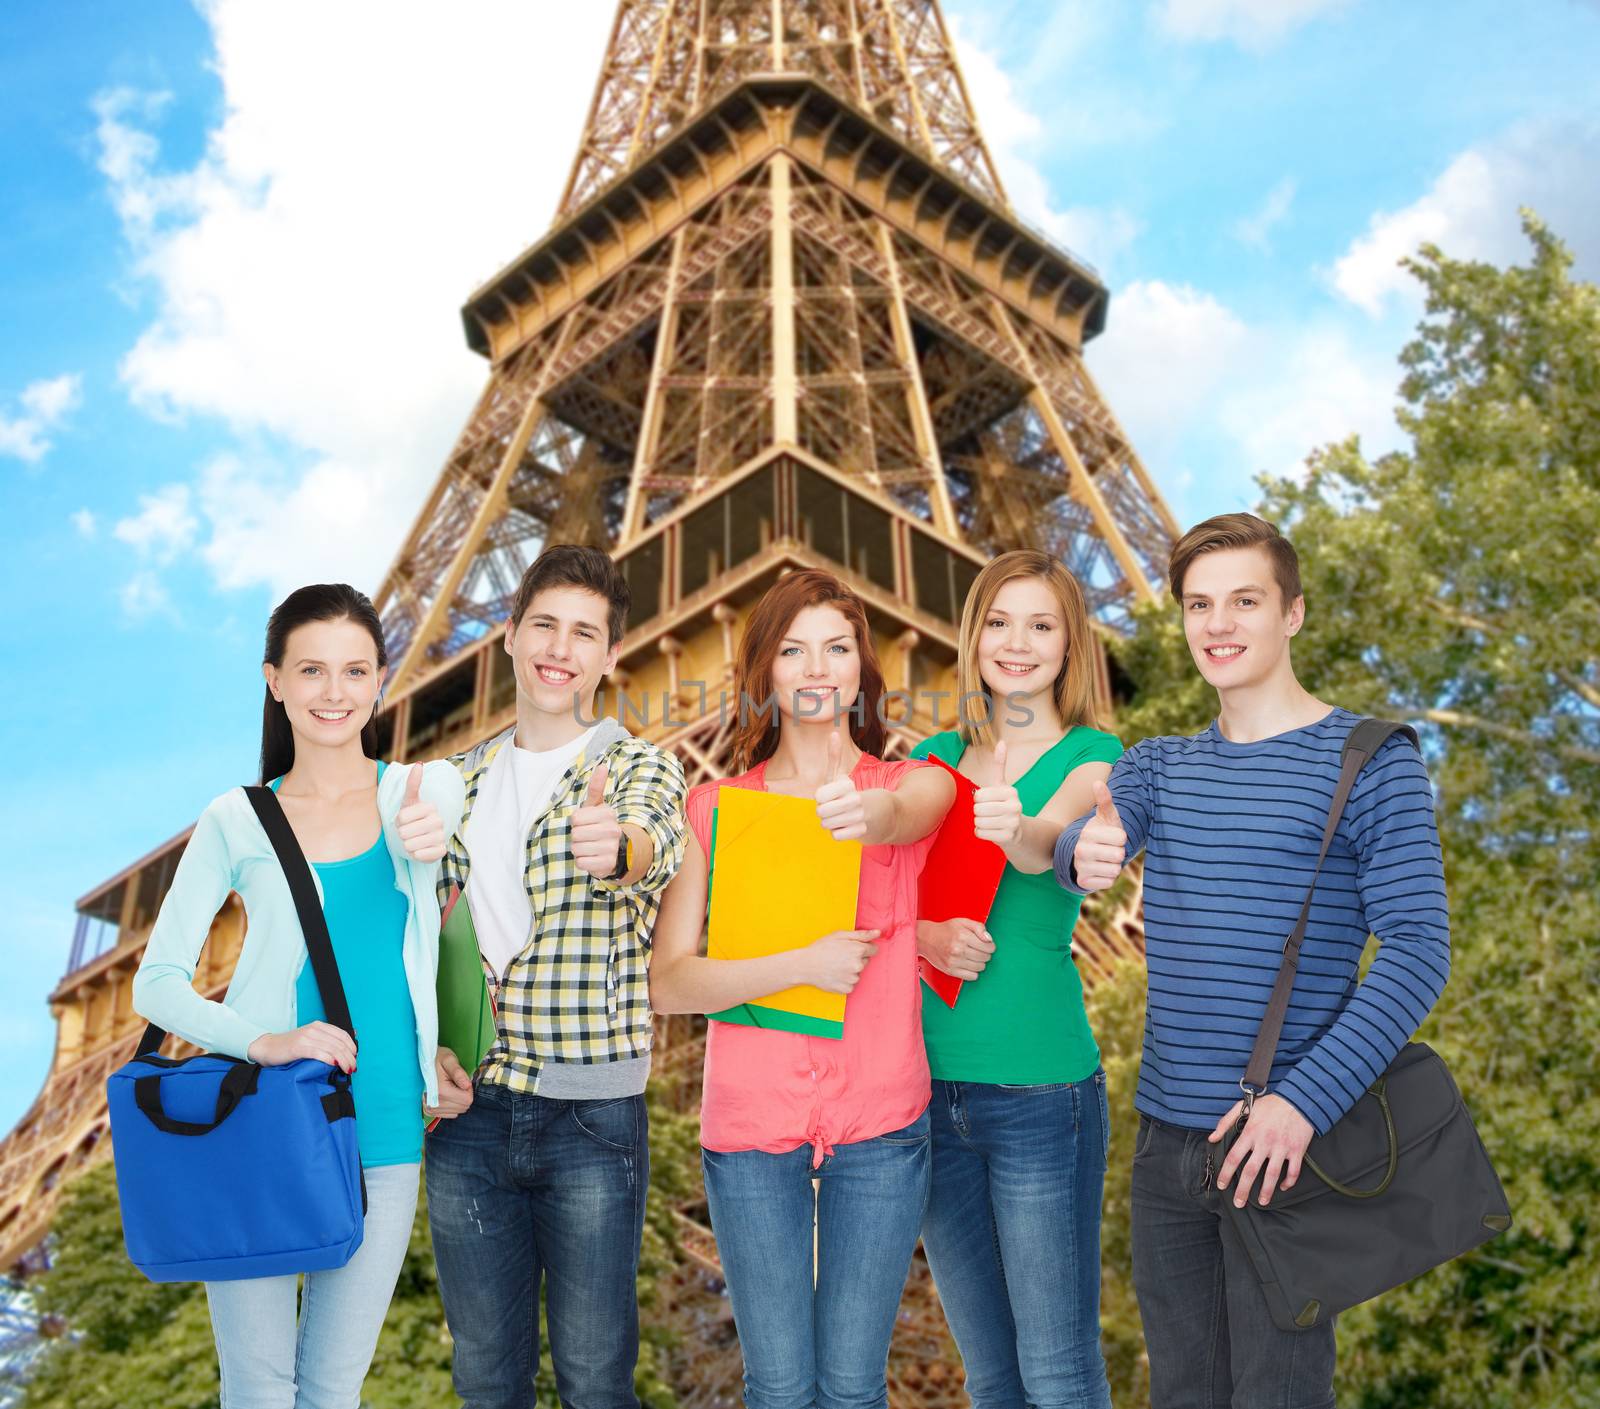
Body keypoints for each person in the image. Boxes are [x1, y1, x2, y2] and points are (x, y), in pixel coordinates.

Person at [1055, 513, 1451, 1409]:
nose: (1218, 624)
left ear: (1294, 613)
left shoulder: (1371, 760)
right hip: (1165, 1149)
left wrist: (1301, 1105)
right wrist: (1085, 849)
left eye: (1244, 600)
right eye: (1199, 604)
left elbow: (1420, 950)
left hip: (1287, 1149)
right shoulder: (1160, 767)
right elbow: (1092, 836)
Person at [132, 582, 469, 1409]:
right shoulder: (236, 818)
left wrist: (441, 1055)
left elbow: (448, 804)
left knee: (332, 1390)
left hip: (388, 1124)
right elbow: (156, 980)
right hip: (266, 1119)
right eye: (311, 669)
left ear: (381, 680)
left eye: (355, 670)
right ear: (274, 679)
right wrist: (266, 1041)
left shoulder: (418, 794)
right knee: (258, 1387)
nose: (334, 692)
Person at [649, 567, 955, 1409]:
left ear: (862, 666)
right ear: (766, 672)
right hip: (750, 1125)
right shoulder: (710, 808)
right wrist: (801, 965)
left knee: (853, 1387)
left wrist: (871, 816)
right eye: (793, 649)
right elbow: (669, 980)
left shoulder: (907, 787)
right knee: (780, 1386)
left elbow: (922, 807)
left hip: (883, 1120)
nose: (817, 667)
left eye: (837, 646)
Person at [424, 544, 688, 1409]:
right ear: (508, 634)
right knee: (486, 1378)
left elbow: (655, 845)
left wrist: (618, 847)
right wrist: (429, 1052)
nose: (560, 646)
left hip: (590, 1114)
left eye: (585, 633)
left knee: (596, 1379)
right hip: (469, 1114)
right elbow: (419, 939)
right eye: (544, 624)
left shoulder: (640, 768)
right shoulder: (450, 784)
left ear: (610, 655)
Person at [908, 550, 1123, 1409]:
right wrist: (926, 932)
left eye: (1041, 624)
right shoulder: (930, 755)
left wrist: (1016, 826)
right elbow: (881, 908)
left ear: (1071, 645)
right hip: (927, 1091)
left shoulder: (1096, 755)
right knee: (992, 1378)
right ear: (973, 636)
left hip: (1041, 1091)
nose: (1018, 642)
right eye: (999, 621)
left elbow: (1057, 849)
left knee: (1060, 1373)